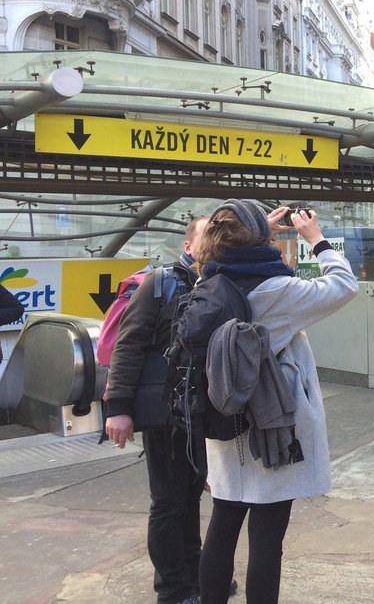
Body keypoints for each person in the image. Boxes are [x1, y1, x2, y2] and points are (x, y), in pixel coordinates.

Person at [196, 199, 358, 603]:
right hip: (272, 427)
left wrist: (258, 233)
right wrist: (316, 239)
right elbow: (342, 285)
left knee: (222, 525)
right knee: (267, 540)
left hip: (223, 421)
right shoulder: (278, 290)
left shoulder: (207, 283)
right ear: (258, 242)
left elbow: (225, 253)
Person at [104, 216, 209, 604]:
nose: (215, 243)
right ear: (188, 247)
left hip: (199, 411)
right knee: (168, 501)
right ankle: (174, 590)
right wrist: (118, 408)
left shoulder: (214, 285)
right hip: (164, 410)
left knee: (191, 496)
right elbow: (127, 346)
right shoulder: (161, 284)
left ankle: (196, 576)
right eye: (207, 237)